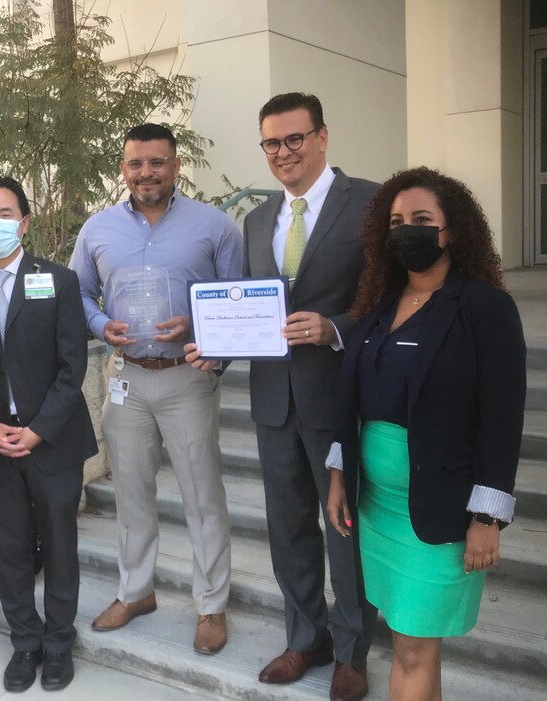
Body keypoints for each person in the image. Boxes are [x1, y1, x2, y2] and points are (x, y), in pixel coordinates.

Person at [186, 93, 377, 699]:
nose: (283, 152)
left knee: (342, 527)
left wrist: (336, 327)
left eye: (294, 139)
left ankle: (351, 649)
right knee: (287, 526)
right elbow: (254, 312)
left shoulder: (370, 205)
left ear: (322, 137)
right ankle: (306, 638)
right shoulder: (259, 219)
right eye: (271, 142)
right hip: (273, 401)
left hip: (338, 398)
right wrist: (219, 346)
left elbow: (391, 302)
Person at [326, 167, 526, 701]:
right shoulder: (378, 308)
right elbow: (354, 401)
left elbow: (503, 420)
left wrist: (487, 517)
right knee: (409, 643)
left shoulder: (484, 307)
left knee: (413, 648)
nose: (405, 230)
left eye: (420, 220)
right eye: (395, 221)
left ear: (452, 230)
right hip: (380, 507)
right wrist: (340, 470)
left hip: (441, 508)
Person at [68, 123, 243, 655]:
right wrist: (101, 326)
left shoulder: (215, 227)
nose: (147, 172)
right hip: (126, 376)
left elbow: (236, 303)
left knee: (203, 497)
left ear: (175, 165)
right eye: (136, 163)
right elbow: (78, 293)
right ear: (123, 168)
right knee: (131, 493)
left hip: (187, 380)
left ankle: (211, 605)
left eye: (157, 162)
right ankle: (135, 591)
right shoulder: (96, 231)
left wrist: (200, 328)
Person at [0, 176, 97, 693]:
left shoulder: (59, 280)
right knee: (8, 549)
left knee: (59, 545)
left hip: (52, 440)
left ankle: (58, 644)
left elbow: (72, 365)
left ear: (24, 222)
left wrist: (35, 430)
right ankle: (25, 643)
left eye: (4, 214)